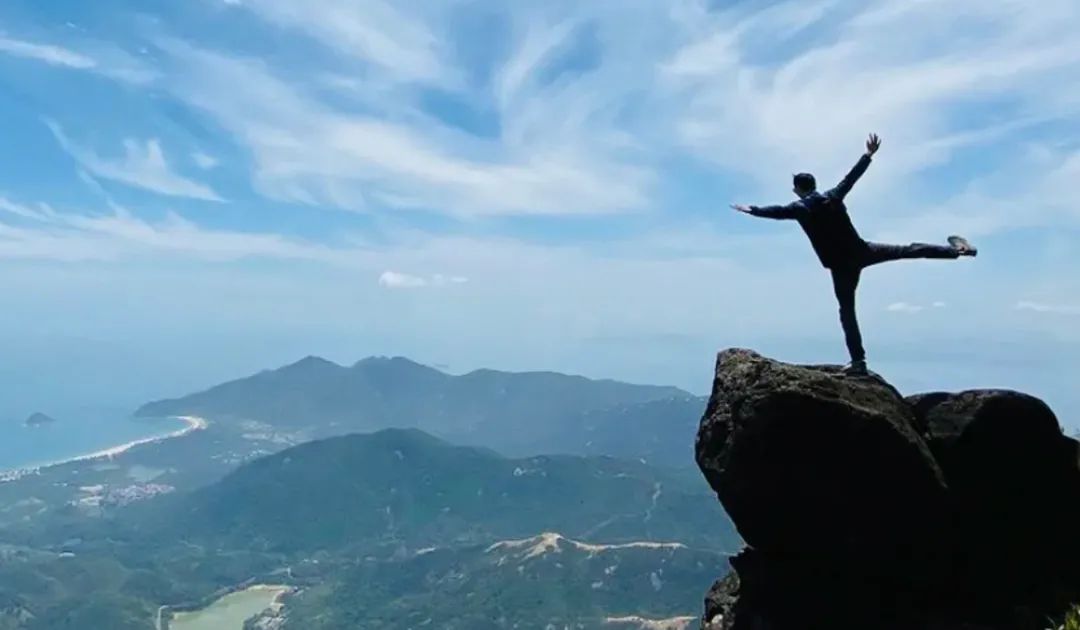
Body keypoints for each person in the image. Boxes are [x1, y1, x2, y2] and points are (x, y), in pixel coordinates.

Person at [731, 133, 977, 376]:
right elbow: (851, 178)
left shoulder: (799, 209)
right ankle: (957, 251)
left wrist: (751, 210)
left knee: (847, 311)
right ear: (814, 185)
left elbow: (775, 212)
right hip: (863, 251)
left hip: (840, 266)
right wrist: (868, 155)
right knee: (909, 250)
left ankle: (858, 362)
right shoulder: (832, 196)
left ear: (797, 190)